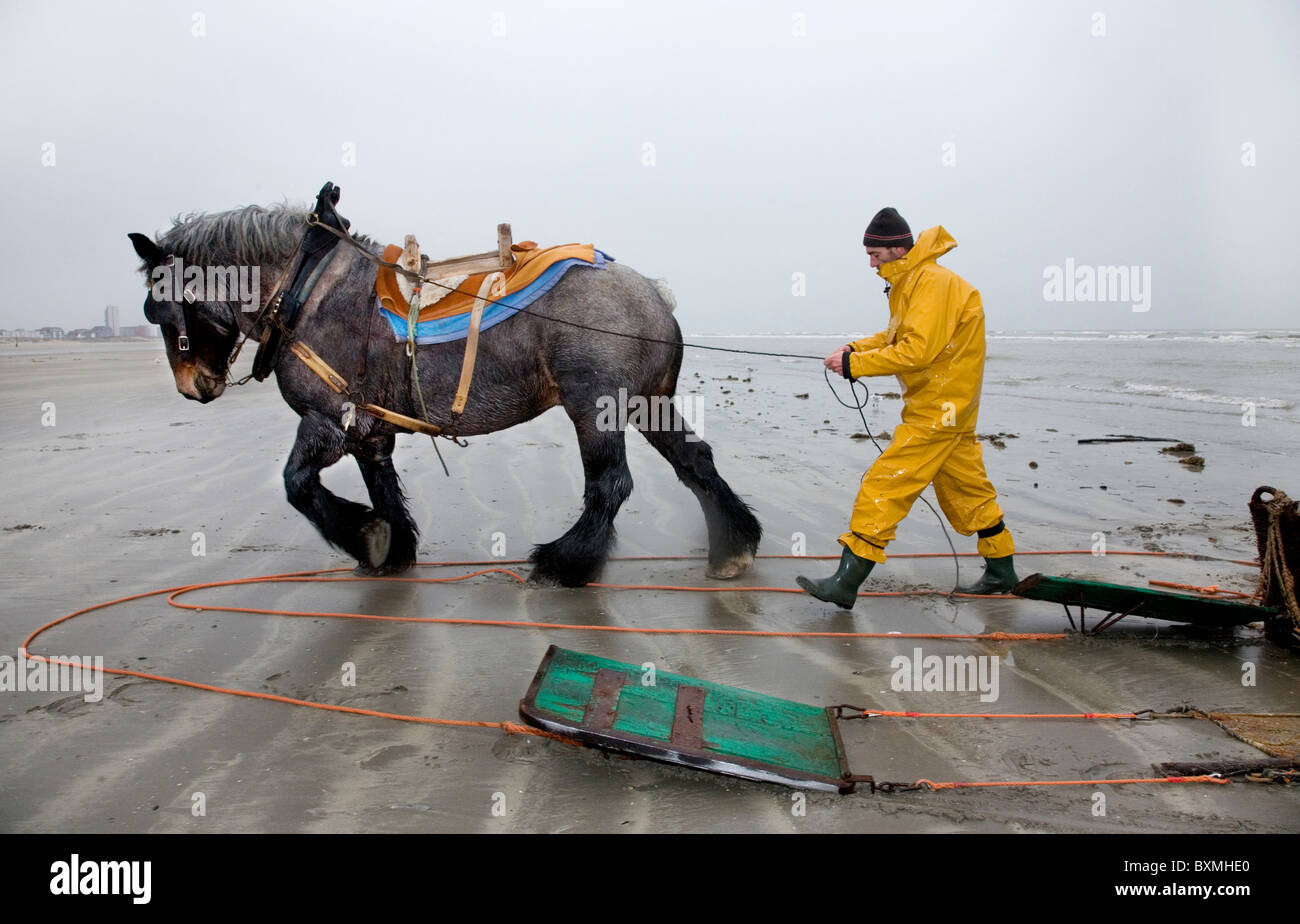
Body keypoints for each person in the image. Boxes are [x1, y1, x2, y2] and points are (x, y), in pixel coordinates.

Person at [796, 207, 1018, 608]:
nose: (869, 263)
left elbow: (918, 350)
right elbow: (898, 334)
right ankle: (1002, 572)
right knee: (967, 488)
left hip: (939, 409)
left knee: (884, 485)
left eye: (875, 255)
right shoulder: (913, 280)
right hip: (952, 406)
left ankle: (846, 583)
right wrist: (855, 347)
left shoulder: (931, 283)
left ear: (897, 249)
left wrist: (854, 366)